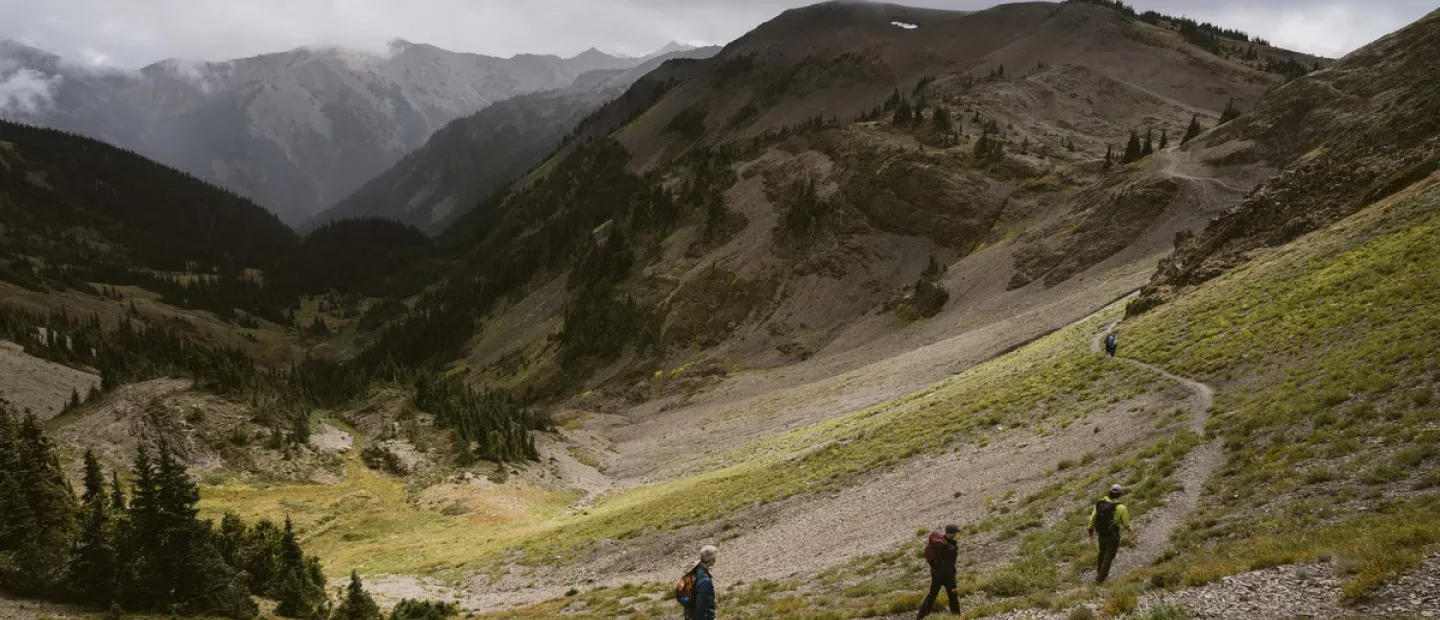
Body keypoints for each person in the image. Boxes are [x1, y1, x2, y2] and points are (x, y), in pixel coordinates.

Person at [1087, 484, 1132, 583]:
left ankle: (1100, 572)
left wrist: (1090, 529)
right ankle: (1100, 579)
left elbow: (1093, 517)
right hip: (1113, 535)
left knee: (1101, 553)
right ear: (1119, 494)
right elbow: (1126, 524)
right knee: (1109, 557)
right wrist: (1129, 529)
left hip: (1101, 533)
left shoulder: (1100, 502)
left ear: (1109, 492)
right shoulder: (1121, 507)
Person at [918, 524, 961, 619]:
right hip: (946, 575)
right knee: (953, 596)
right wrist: (953, 585)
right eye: (955, 532)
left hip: (936, 573)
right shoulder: (950, 548)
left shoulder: (940, 542)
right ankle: (957, 617)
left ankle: (920, 617)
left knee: (932, 596)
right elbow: (949, 567)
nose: (956, 534)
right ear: (952, 533)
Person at [685, 545, 717, 620]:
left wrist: (712, 599)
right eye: (714, 557)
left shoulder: (696, 570)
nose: (715, 559)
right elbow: (701, 607)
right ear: (711, 558)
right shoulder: (705, 580)